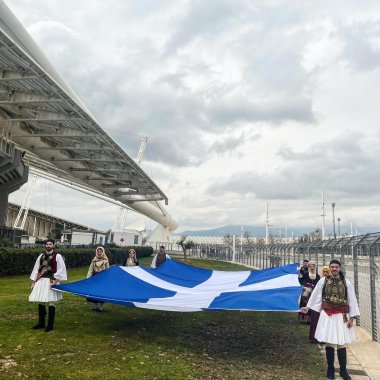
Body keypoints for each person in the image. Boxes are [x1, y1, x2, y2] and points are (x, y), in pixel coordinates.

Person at [301, 260, 359, 380]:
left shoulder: (346, 283)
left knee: (341, 342)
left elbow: (352, 300)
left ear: (340, 268)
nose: (334, 269)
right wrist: (308, 307)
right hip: (327, 315)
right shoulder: (323, 281)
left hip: (341, 315)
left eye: (336, 267)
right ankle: (330, 369)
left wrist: (351, 319)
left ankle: (343, 370)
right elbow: (316, 296)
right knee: (329, 341)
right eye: (332, 267)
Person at [29, 239, 67, 332]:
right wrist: (33, 282)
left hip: (51, 280)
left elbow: (61, 269)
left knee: (51, 302)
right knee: (41, 301)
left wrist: (55, 281)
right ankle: (41, 323)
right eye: (47, 244)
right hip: (41, 280)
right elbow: (36, 269)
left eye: (50, 244)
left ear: (53, 245)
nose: (48, 245)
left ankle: (50, 325)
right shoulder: (41, 256)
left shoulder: (57, 256)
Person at [309, 265, 331, 343]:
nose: (325, 273)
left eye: (327, 272)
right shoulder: (321, 281)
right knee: (316, 320)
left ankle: (323, 338)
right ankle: (314, 337)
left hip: (328, 305)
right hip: (319, 304)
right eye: (324, 272)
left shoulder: (332, 281)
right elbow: (316, 293)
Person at [86, 247, 109, 312]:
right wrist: (88, 278)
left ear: (103, 252)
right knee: (95, 292)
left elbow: (107, 270)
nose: (99, 253)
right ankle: (95, 306)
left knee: (101, 292)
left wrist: (107, 279)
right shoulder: (94, 260)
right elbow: (90, 270)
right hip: (95, 278)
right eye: (98, 251)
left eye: (100, 251)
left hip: (102, 279)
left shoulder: (105, 260)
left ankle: (101, 307)